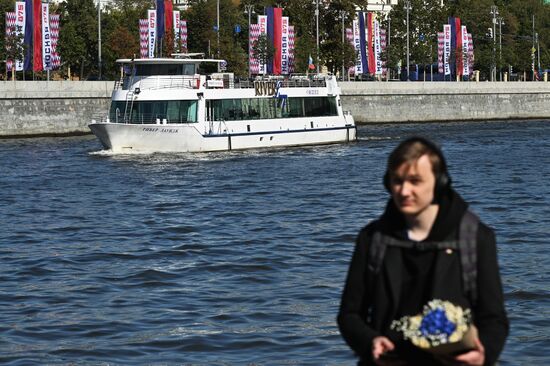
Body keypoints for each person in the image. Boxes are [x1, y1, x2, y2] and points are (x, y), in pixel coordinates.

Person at [337, 137, 508, 365]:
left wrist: (482, 354)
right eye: (397, 181)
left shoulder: (476, 238)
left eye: (415, 181)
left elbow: (494, 319)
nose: (404, 191)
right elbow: (349, 315)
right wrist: (371, 342)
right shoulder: (372, 238)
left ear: (439, 183)